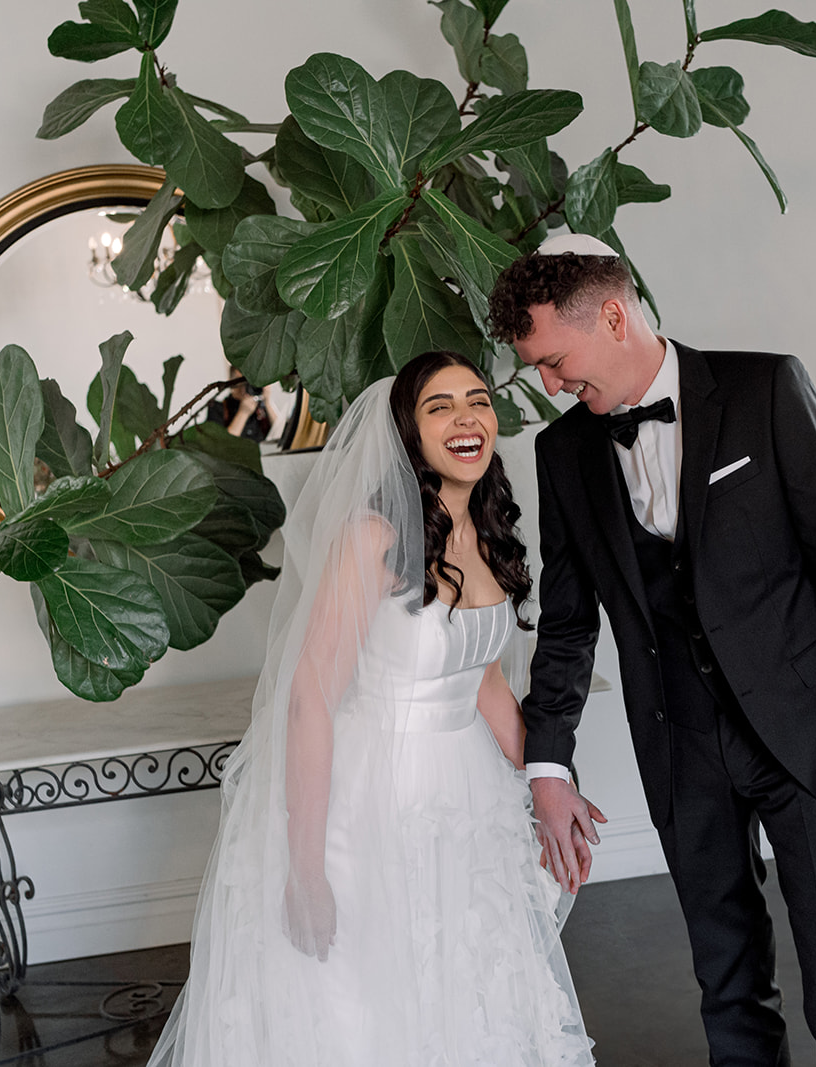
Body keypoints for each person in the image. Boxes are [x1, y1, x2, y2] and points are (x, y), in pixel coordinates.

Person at [488, 233, 816, 1066]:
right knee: (727, 976)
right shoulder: (562, 452)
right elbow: (568, 624)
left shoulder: (765, 389)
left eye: (555, 362)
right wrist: (548, 766)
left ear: (614, 317)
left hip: (802, 737)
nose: (550, 386)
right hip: (679, 745)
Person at [147, 351, 595, 1067]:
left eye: (477, 400)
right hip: (372, 797)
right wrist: (306, 868)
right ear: (408, 433)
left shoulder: (486, 532)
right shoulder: (373, 538)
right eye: (439, 406)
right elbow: (309, 698)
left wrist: (550, 781)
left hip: (465, 790)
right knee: (370, 1004)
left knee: (466, 980)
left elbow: (482, 680)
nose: (466, 418)